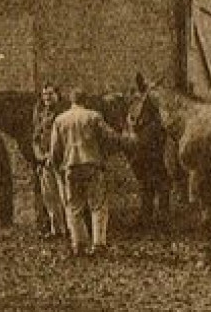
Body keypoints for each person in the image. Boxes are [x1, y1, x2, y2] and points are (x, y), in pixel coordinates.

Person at [48, 87, 134, 257]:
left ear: (72, 101)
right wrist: (127, 140)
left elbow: (54, 150)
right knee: (98, 205)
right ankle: (98, 244)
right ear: (85, 101)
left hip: (71, 167)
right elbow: (110, 137)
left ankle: (78, 244)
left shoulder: (60, 120)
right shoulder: (94, 116)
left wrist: (59, 168)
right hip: (92, 165)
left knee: (74, 207)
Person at [125, 74, 172, 234]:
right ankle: (149, 217)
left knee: (158, 183)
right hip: (147, 148)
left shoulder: (152, 110)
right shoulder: (142, 102)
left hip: (152, 151)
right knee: (148, 184)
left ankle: (161, 218)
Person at [32, 84, 69, 239]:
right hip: (45, 161)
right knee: (49, 197)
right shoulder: (41, 115)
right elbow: (35, 139)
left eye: (50, 94)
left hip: (61, 161)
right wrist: (40, 156)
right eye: (44, 94)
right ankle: (56, 229)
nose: (47, 97)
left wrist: (53, 157)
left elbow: (67, 140)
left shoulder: (64, 114)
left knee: (65, 196)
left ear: (57, 95)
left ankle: (70, 228)